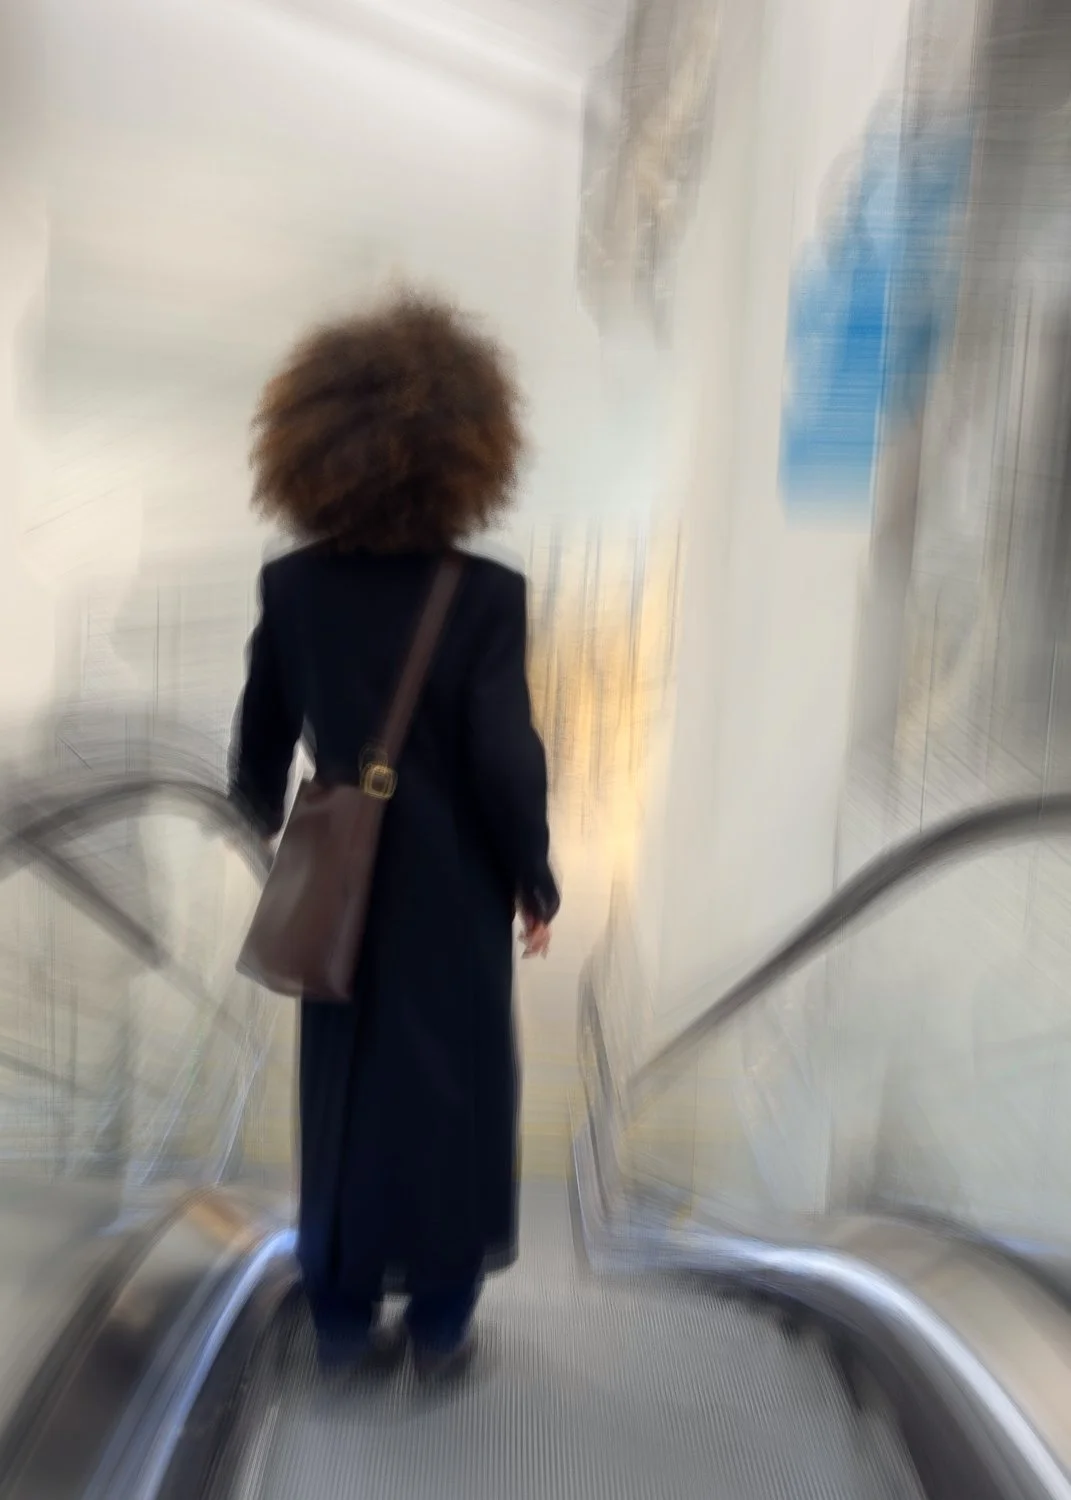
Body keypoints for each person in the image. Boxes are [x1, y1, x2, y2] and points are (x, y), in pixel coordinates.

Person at [228, 294, 559, 1381]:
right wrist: (533, 880)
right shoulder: (485, 593)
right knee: (453, 1090)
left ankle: (337, 1319)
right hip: (449, 884)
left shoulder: (293, 587)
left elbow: (261, 732)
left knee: (344, 1088)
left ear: (313, 443)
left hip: (339, 882)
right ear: (467, 448)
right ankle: (440, 1324)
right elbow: (504, 755)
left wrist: (258, 827)